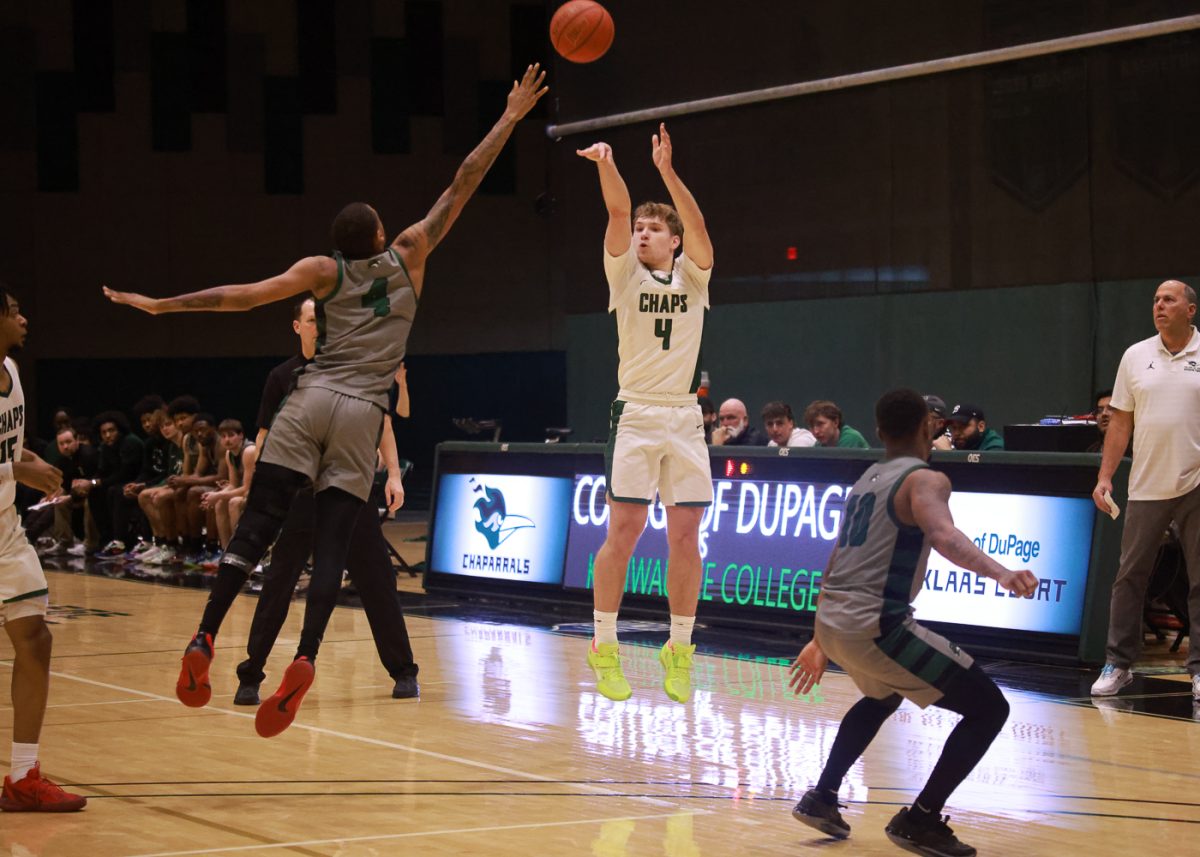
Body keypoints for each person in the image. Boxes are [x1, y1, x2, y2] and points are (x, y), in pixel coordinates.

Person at [103, 64, 547, 736]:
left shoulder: (322, 272)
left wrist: (166, 306)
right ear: (379, 236)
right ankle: (306, 655)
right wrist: (511, 116)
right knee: (336, 542)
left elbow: (246, 294)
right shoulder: (409, 254)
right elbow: (463, 181)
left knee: (256, 532)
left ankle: (204, 636)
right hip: (362, 411)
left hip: (310, 399)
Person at [788, 388, 1037, 856]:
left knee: (883, 694)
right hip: (875, 624)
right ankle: (921, 819)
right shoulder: (925, 479)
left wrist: (820, 637)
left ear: (879, 432)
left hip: (834, 620)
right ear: (929, 426)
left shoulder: (867, 478)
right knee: (989, 709)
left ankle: (823, 796)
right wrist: (1001, 571)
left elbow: (836, 557)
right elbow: (944, 535)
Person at [576, 122, 714, 704]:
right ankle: (604, 645)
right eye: (639, 228)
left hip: (684, 416)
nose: (640, 234)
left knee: (686, 538)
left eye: (653, 229)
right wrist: (608, 163)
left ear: (673, 241)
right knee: (625, 531)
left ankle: (679, 648)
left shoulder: (695, 277)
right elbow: (613, 212)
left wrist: (665, 171)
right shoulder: (624, 272)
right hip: (635, 412)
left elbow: (700, 226)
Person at [232, 296, 419, 706]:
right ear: (297, 327)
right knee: (279, 584)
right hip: (300, 497)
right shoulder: (281, 377)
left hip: (351, 494)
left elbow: (382, 423)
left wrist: (392, 473)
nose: (322, 326)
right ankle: (251, 675)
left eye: (326, 319)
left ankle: (404, 671)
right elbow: (264, 437)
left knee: (377, 583)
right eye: (313, 320)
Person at [1091, 279, 1200, 702]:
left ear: (1190, 310)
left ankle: (1198, 671)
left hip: (1195, 481)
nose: (1159, 305)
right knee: (1129, 577)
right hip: (1147, 484)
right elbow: (1120, 422)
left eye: (1169, 299)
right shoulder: (1135, 356)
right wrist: (1105, 477)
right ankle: (1118, 664)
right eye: (1156, 299)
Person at [0, 288, 87, 812]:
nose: (24, 318)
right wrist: (17, 469)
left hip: (4, 529)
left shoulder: (10, 372)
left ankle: (22, 776)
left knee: (35, 638)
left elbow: (6, 449)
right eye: (14, 311)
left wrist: (28, 460)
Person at [805, 400, 870, 449]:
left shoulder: (851, 438)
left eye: (820, 424)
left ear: (836, 422)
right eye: (811, 426)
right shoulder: (818, 445)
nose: (816, 431)